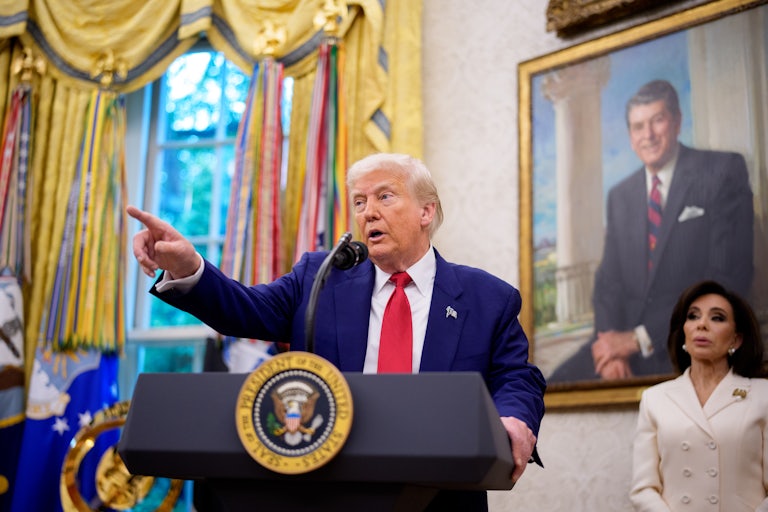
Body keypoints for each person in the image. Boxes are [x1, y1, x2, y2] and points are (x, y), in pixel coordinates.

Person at [127, 152, 546, 511]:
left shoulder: (487, 297)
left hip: (443, 496)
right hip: (329, 489)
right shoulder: (320, 277)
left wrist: (513, 418)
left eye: (385, 196)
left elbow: (516, 375)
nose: (368, 212)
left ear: (426, 211)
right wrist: (188, 268)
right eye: (360, 201)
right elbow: (246, 310)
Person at [549, 79, 754, 383]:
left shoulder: (721, 171)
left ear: (677, 122)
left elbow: (727, 277)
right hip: (622, 345)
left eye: (657, 120)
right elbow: (608, 283)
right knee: (550, 387)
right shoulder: (621, 195)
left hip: (682, 341)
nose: (648, 135)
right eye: (637, 126)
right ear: (631, 137)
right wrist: (609, 350)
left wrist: (638, 338)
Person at [629, 280, 768, 511]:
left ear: (736, 339)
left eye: (717, 318)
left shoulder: (763, 395)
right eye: (693, 316)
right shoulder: (655, 400)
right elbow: (643, 489)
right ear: (683, 332)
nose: (701, 324)